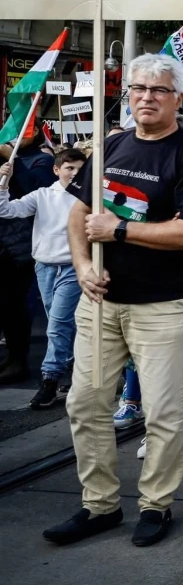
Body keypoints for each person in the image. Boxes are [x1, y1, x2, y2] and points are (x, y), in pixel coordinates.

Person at [43, 53, 183, 547]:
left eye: (159, 90)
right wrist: (82, 268)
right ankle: (98, 505)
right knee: (85, 404)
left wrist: (119, 229)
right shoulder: (112, 145)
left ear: (178, 100)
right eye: (138, 89)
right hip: (99, 302)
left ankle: (155, 505)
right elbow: (80, 217)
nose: (146, 97)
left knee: (162, 413)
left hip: (161, 305)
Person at [0, 148, 86, 407]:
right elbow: (6, 210)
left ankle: (49, 379)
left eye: (80, 169)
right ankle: (74, 368)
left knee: (57, 325)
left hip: (72, 268)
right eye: (69, 167)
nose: (74, 173)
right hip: (44, 267)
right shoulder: (42, 195)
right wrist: (3, 183)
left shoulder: (89, 198)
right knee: (60, 324)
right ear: (56, 170)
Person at [0, 131, 56, 383]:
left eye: (25, 130)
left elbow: (36, 189)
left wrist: (11, 163)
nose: (15, 135)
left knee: (14, 306)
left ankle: (18, 361)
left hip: (19, 245)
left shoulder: (40, 161)